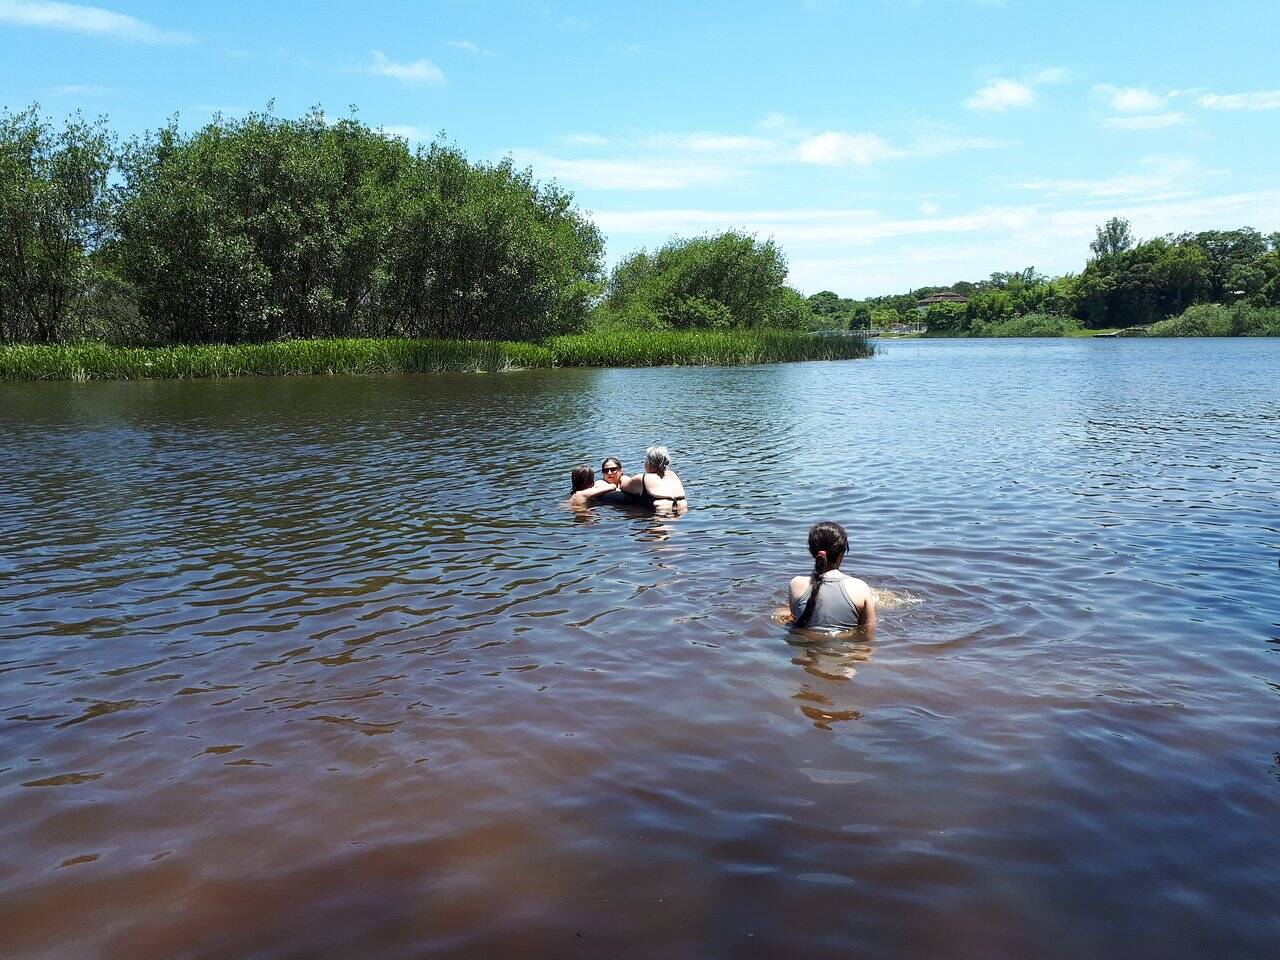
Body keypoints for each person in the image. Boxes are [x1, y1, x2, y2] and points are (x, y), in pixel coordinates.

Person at [788, 521, 876, 631]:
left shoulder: (796, 584)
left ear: (812, 552)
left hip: (804, 647)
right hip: (846, 647)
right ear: (842, 553)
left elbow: (796, 618)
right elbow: (869, 635)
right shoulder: (860, 588)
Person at [617, 445, 686, 509]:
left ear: (649, 464)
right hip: (681, 515)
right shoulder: (673, 475)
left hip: (659, 518)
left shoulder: (643, 478)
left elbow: (623, 483)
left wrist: (619, 476)